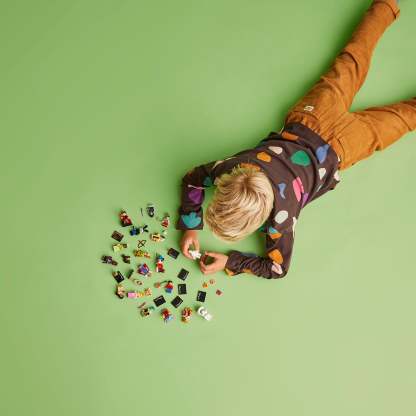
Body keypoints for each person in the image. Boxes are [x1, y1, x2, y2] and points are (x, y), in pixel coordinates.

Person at [176, 0, 414, 279]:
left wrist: (230, 261)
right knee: (353, 59)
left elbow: (277, 268)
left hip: (340, 145)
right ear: (227, 183)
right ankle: (386, 6)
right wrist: (190, 227)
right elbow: (192, 178)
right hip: (313, 119)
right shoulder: (231, 167)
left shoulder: (281, 220)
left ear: (262, 222)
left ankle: (385, 7)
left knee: (401, 117)